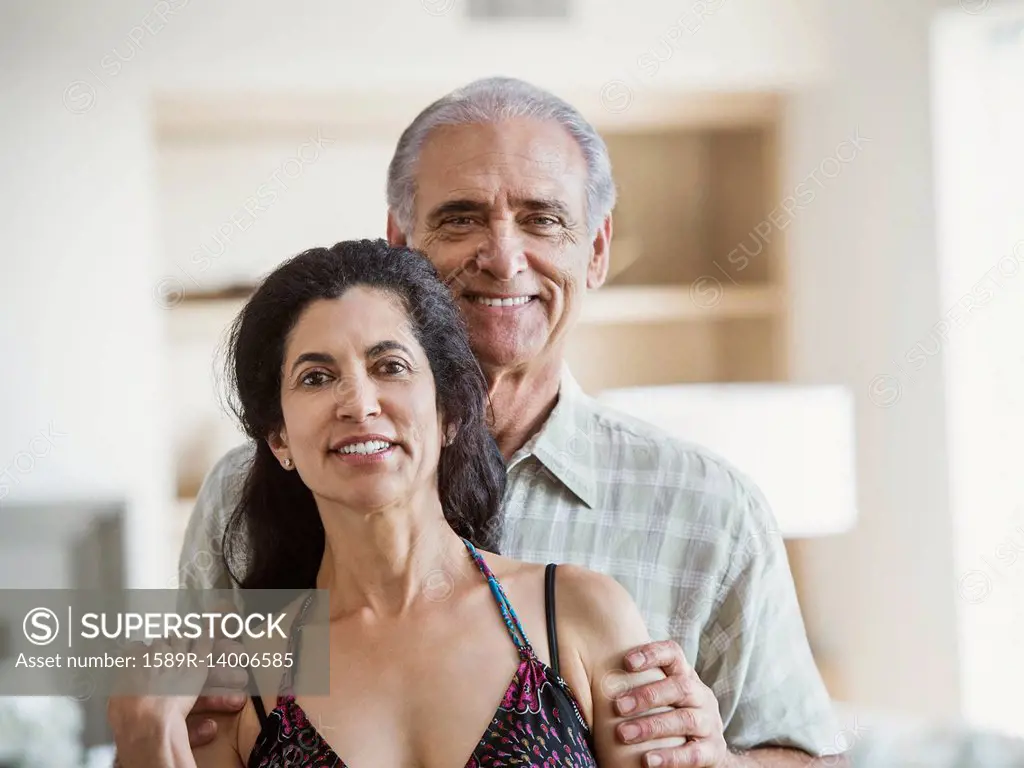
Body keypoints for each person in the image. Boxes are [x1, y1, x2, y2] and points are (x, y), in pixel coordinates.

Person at [160, 77, 846, 767]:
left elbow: (812, 753)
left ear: (598, 249)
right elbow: (182, 730)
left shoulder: (711, 510)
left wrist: (721, 763)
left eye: (543, 219)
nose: (504, 257)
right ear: (400, 242)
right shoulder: (240, 500)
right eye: (460, 218)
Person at [108, 240, 687, 766]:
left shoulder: (582, 616)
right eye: (315, 377)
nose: (358, 403)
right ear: (279, 438)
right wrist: (143, 743)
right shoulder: (234, 680)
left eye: (391, 366)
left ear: (449, 414)